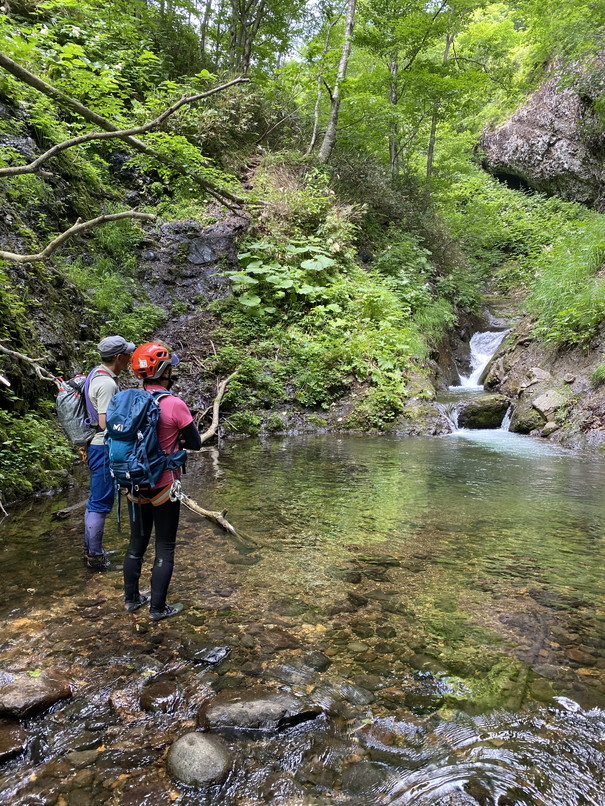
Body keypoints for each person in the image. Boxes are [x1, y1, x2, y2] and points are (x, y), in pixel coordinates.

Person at [123, 342, 202, 621]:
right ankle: (158, 609)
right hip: (163, 485)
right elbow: (195, 443)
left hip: (133, 485)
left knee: (136, 545)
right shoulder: (174, 404)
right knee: (164, 547)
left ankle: (132, 600)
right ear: (165, 371)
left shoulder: (128, 399)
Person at [84, 335, 135, 570]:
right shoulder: (107, 384)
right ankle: (94, 557)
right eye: (127, 355)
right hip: (102, 447)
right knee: (100, 502)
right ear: (118, 357)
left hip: (97, 446)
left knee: (98, 500)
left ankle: (95, 550)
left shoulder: (96, 373)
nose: (129, 359)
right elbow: (106, 424)